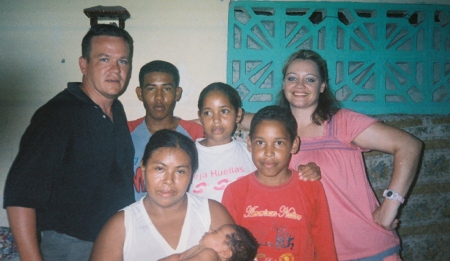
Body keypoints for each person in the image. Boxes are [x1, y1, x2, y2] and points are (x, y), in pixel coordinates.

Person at [3, 24, 135, 261]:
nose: (115, 69)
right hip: (72, 248)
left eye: (123, 61)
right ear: (84, 64)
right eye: (104, 59)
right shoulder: (57, 115)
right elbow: (19, 197)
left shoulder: (117, 109)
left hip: (114, 244)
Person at [279, 49, 423, 260]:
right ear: (283, 85)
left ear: (322, 86)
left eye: (310, 79)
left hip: (368, 248)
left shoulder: (342, 122)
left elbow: (409, 145)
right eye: (292, 78)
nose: (300, 86)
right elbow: (240, 119)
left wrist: (389, 207)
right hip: (313, 252)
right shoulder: (275, 131)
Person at [89, 129, 234, 261]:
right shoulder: (120, 226)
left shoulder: (212, 213)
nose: (168, 181)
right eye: (159, 168)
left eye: (180, 171)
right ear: (143, 168)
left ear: (192, 174)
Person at [222, 105, 338, 261]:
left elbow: (325, 244)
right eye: (260, 143)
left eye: (279, 143)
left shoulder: (311, 187)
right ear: (249, 143)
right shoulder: (235, 192)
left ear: (294, 144)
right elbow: (227, 248)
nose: (268, 153)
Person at [190, 82, 320, 202]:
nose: (216, 119)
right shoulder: (188, 155)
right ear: (200, 117)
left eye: (224, 111)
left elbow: (281, 171)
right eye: (208, 113)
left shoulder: (252, 150)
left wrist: (307, 170)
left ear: (238, 115)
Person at [128, 60, 204, 201]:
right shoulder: (125, 132)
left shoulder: (195, 133)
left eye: (167, 89)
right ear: (140, 93)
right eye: (151, 88)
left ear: (177, 93)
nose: (159, 97)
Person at [158, 224, 258, 261]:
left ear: (225, 253)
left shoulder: (210, 254)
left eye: (216, 232)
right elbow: (177, 257)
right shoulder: (197, 248)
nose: (210, 230)